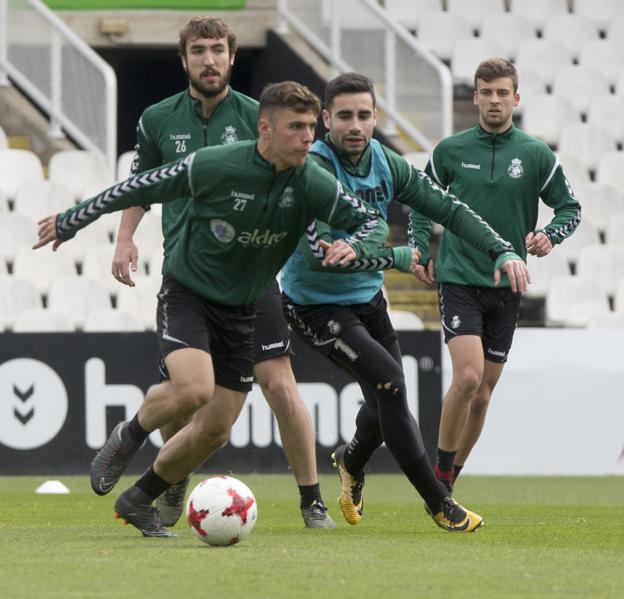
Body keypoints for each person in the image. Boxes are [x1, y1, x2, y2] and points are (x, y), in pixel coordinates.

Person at [34, 80, 393, 538]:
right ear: (264, 128)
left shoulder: (311, 180)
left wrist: (353, 242)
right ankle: (130, 435)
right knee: (193, 390)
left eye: (310, 126)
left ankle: (138, 499)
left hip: (243, 307)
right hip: (189, 293)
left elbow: (372, 220)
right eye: (297, 127)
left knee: (216, 429)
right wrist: (70, 220)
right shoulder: (215, 165)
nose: (309, 137)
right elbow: (138, 186)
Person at [107, 17, 335, 529]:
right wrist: (125, 238)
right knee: (188, 398)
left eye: (217, 50)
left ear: (232, 57)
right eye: (198, 50)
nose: (208, 59)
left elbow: (301, 187)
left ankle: (312, 500)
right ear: (183, 59)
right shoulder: (157, 120)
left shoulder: (264, 119)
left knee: (279, 383)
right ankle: (170, 482)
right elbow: (140, 185)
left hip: (252, 277)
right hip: (188, 274)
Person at [280, 72, 530, 532]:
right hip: (315, 305)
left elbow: (448, 210)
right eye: (344, 116)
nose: (355, 126)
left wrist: (502, 249)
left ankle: (351, 461)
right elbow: (322, 259)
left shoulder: (386, 163)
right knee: (392, 383)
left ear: (376, 117)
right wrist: (396, 255)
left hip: (368, 300)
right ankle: (440, 503)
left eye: (364, 115)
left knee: (384, 400)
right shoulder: (309, 169)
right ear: (324, 119)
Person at [416, 58, 581, 492]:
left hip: (508, 285)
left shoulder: (535, 154)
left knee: (483, 394)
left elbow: (571, 208)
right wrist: (419, 248)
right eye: (486, 92)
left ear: (516, 98)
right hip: (458, 277)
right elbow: (419, 200)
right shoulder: (450, 151)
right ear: (474, 97)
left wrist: (550, 235)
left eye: (502, 92)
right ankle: (438, 474)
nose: (493, 100)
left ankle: (449, 478)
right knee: (467, 377)